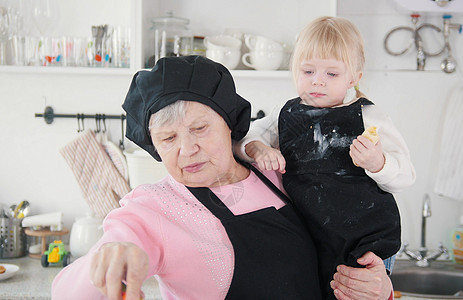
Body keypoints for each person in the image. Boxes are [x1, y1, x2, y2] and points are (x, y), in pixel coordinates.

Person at [51, 56, 394, 300]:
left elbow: (342, 247)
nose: (187, 149)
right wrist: (111, 256)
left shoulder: (278, 174)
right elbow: (66, 291)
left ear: (230, 124)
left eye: (200, 128)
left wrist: (378, 286)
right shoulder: (151, 208)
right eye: (168, 139)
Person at [234, 16, 416, 299]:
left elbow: (405, 176)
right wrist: (259, 148)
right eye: (308, 71)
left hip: (366, 242)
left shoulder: (369, 117)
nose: (317, 81)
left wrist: (378, 163)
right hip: (316, 239)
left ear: (355, 76)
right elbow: (243, 140)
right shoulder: (285, 114)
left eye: (331, 74)